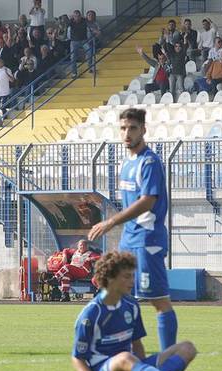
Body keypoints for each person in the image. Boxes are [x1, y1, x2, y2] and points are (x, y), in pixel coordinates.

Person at [89, 108, 178, 352]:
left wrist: (111, 222)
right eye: (123, 128)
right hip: (130, 239)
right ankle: (134, 357)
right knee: (122, 298)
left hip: (148, 240)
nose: (127, 133)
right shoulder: (127, 164)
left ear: (143, 130)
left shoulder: (150, 162)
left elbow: (148, 201)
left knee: (158, 300)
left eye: (133, 128)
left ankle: (167, 357)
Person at [71, 251, 198, 371]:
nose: (132, 281)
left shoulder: (132, 305)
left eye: (133, 276)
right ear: (110, 278)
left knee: (187, 348)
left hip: (131, 363)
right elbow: (77, 358)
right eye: (126, 277)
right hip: (104, 369)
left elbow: (137, 344)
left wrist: (141, 368)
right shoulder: (92, 313)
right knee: (125, 357)